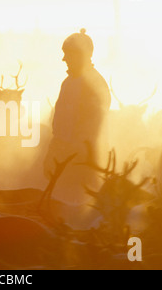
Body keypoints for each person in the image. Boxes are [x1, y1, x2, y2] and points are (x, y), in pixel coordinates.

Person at [44, 28, 111, 206]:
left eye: (68, 54)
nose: (64, 59)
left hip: (83, 166)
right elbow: (60, 125)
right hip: (64, 162)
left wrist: (70, 154)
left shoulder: (95, 85)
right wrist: (53, 151)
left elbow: (91, 128)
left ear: (82, 54)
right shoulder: (68, 83)